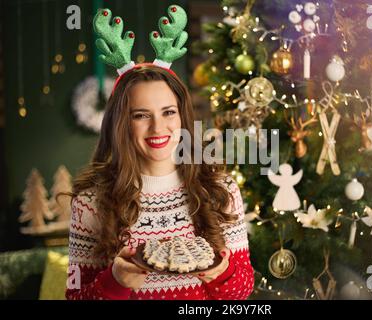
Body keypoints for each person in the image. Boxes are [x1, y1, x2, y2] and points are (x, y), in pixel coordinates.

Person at [65, 6, 254, 300]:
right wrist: (115, 281)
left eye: (168, 112)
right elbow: (75, 296)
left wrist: (219, 271)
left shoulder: (221, 191)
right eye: (140, 115)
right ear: (120, 124)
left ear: (182, 118)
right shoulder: (90, 204)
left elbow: (241, 291)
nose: (158, 128)